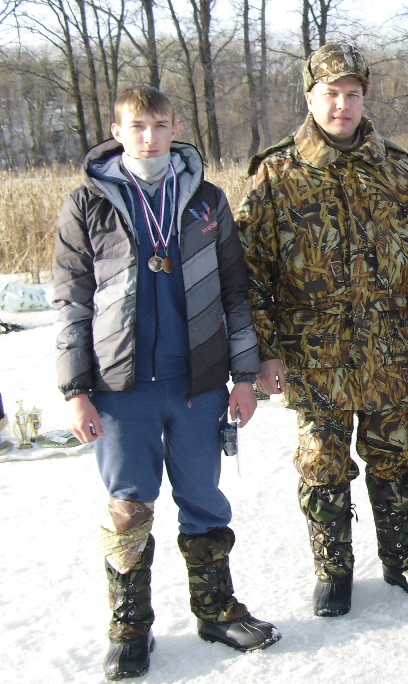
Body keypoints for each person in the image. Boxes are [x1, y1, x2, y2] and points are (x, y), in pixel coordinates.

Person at [54, 85, 279, 681]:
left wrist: (244, 374)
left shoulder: (206, 200)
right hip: (120, 387)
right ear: (117, 129)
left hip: (198, 382)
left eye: (160, 124)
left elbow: (236, 292)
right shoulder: (87, 204)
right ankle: (129, 626)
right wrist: (76, 389)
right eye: (138, 126)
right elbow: (71, 303)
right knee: (129, 506)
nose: (150, 136)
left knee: (204, 500)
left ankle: (215, 608)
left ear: (173, 127)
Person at [235, 43, 408, 618]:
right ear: (310, 97)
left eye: (352, 94)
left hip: (389, 346)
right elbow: (251, 270)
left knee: (396, 456)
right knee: (322, 463)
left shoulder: (395, 169)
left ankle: (403, 556)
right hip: (315, 353)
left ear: (364, 98)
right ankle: (333, 570)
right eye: (331, 94)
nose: (342, 105)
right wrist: (265, 351)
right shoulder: (277, 171)